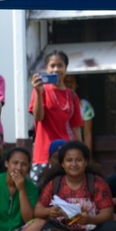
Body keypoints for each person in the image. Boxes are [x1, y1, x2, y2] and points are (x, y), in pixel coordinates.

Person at [30, 141, 116, 231]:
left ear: (85, 162)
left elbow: (107, 213)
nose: (74, 164)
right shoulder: (54, 184)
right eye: (69, 160)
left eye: (78, 160)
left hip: (93, 230)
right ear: (62, 164)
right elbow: (37, 211)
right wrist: (49, 211)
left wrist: (89, 220)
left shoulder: (97, 182)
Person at [29, 50, 84, 183]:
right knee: (41, 197)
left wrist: (82, 153)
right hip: (43, 155)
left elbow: (76, 128)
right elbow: (39, 117)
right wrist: (37, 92)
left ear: (66, 68)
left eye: (60, 65)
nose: (56, 69)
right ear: (46, 69)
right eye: (52, 65)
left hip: (67, 156)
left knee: (65, 195)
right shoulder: (40, 90)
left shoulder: (72, 95)